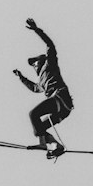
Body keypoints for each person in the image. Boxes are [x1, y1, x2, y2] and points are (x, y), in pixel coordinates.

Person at [13, 18, 74, 159]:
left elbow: (50, 45)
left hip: (60, 97)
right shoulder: (41, 81)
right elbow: (34, 88)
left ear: (42, 61)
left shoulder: (50, 64)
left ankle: (43, 144)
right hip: (62, 110)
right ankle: (56, 146)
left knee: (33, 114)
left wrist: (36, 30)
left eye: (35, 63)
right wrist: (21, 77)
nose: (34, 66)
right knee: (38, 129)